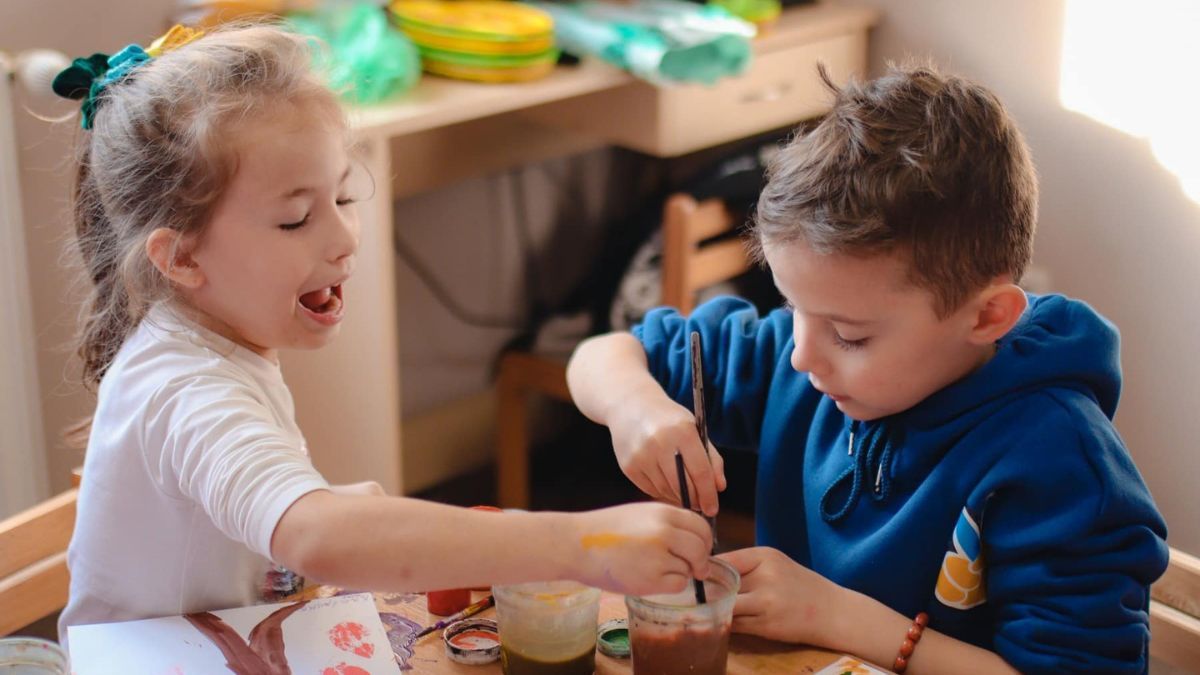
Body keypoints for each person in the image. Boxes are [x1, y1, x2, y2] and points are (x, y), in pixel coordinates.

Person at [54, 24, 711, 645]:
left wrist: (326, 510)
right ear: (181, 258)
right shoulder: (189, 388)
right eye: (295, 219)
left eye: (342, 199)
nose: (343, 238)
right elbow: (316, 537)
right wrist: (579, 546)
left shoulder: (200, 341)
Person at [567, 63, 1168, 674]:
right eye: (793, 308)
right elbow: (603, 355)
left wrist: (837, 616)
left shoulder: (1061, 465)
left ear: (987, 317)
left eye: (850, 335)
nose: (801, 355)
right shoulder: (803, 362)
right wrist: (634, 408)